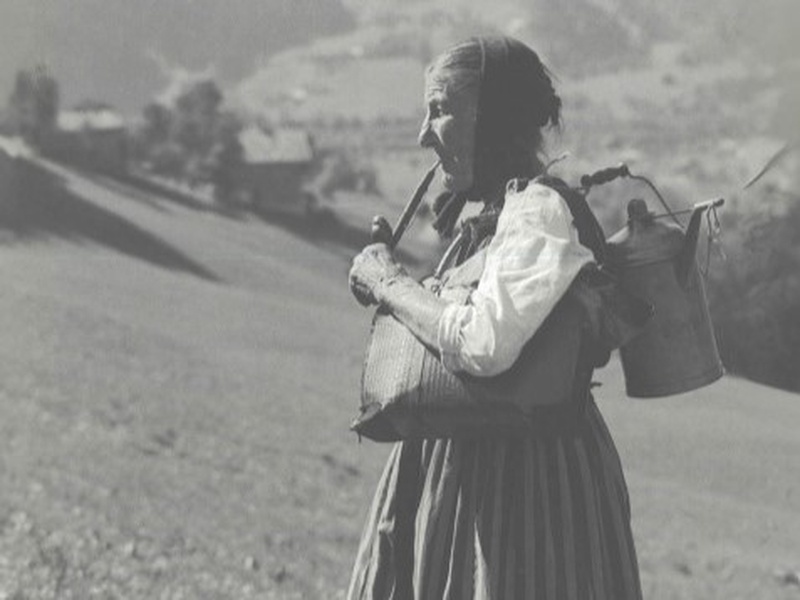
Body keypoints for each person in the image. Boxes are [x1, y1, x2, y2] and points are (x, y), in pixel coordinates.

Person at [347, 36, 643, 600]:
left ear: (493, 118)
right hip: (464, 471)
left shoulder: (539, 211)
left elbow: (484, 346)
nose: (423, 133)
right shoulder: (494, 213)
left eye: (440, 109)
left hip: (530, 487)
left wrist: (391, 284)